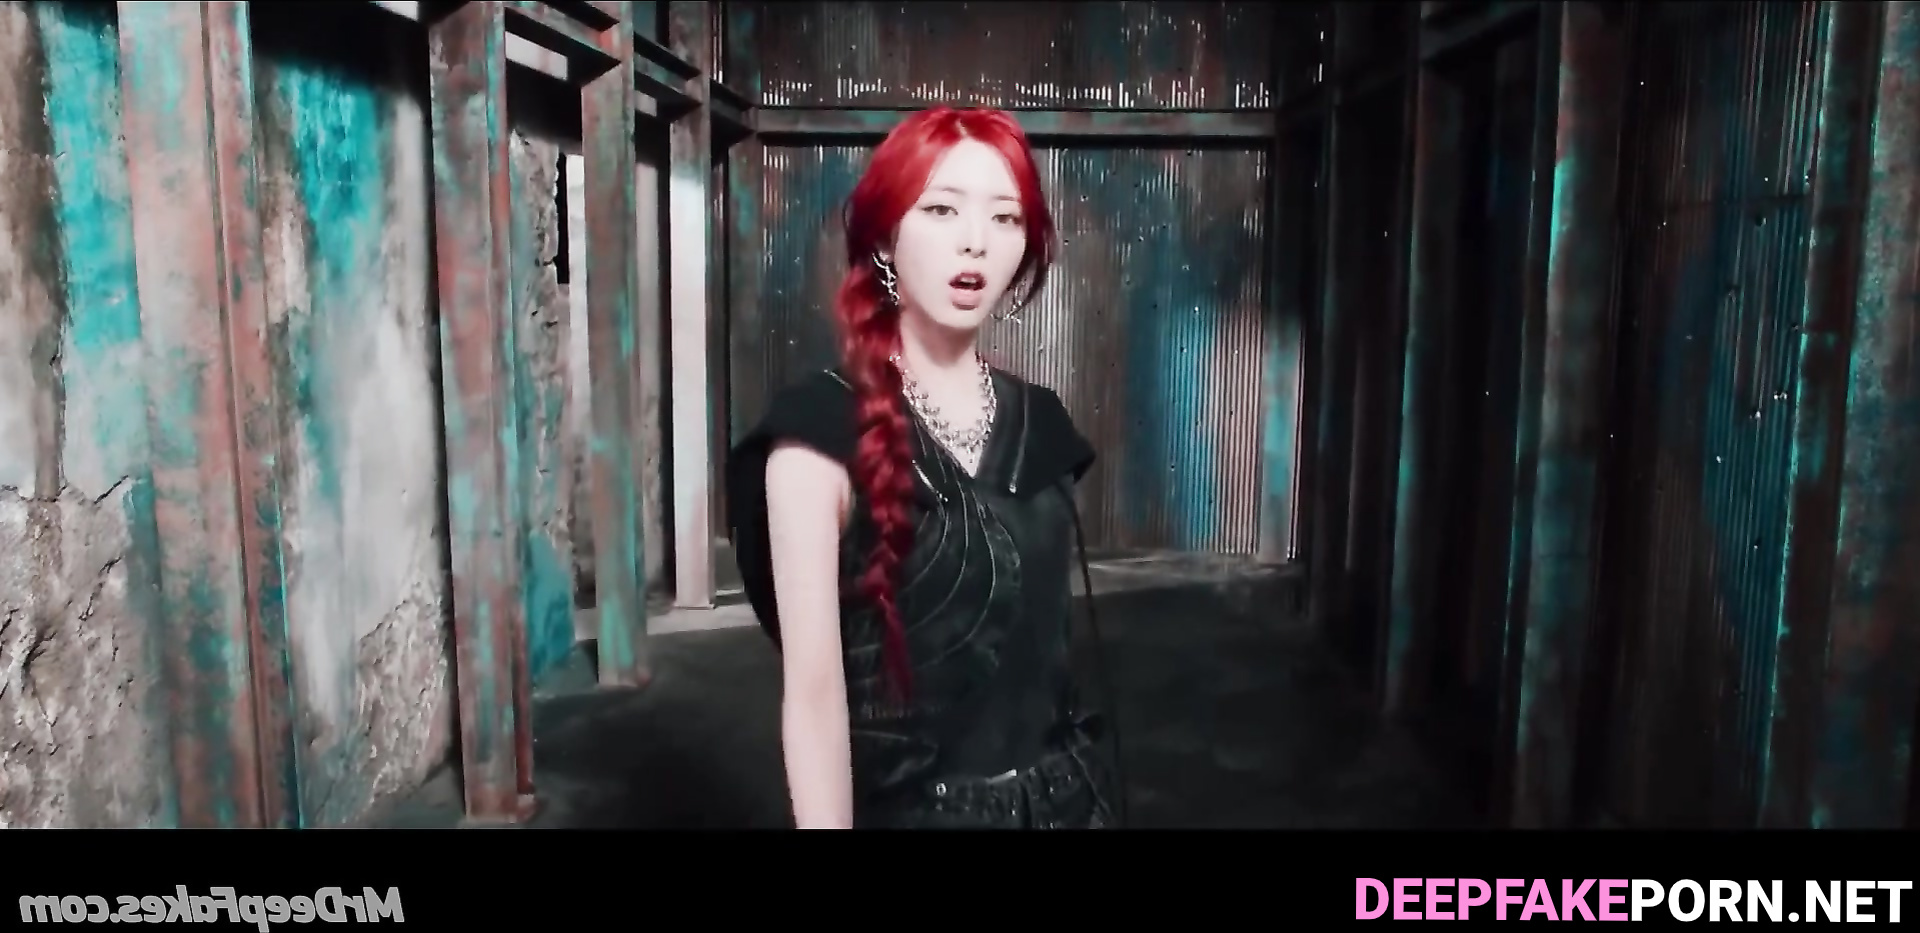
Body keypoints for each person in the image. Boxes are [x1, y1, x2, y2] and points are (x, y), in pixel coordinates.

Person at [725, 106, 1121, 829]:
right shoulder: (816, 438)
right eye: (942, 209)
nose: (975, 241)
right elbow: (814, 701)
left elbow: (1043, 656)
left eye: (1005, 218)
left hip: (1068, 805)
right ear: (885, 236)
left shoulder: (1042, 423)